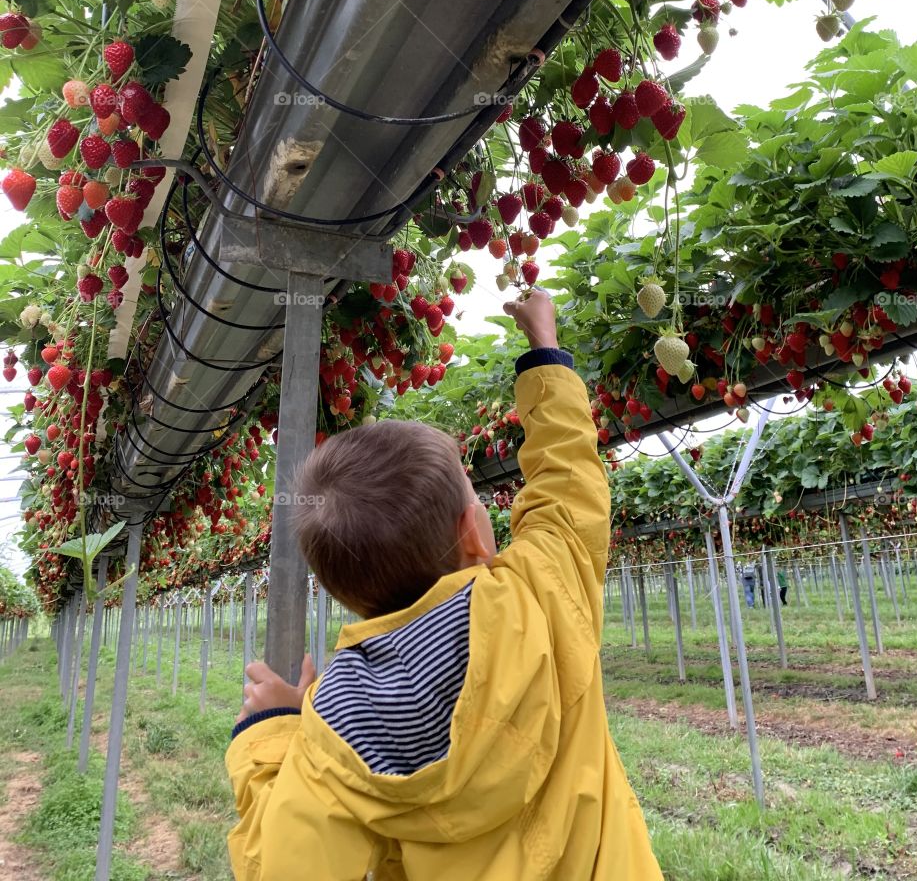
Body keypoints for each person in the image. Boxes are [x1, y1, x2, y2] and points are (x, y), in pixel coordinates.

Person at [225, 289, 663, 881]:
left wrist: (274, 735)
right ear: (474, 534)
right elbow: (568, 486)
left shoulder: (337, 733)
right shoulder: (540, 594)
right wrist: (545, 353)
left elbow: (283, 868)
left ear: (339, 591)